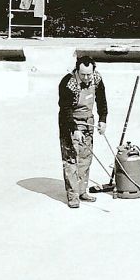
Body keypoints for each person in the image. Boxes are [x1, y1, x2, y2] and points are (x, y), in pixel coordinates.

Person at [58, 55, 108, 208]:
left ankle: (82, 191)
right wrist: (74, 129)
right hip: (70, 122)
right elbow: (65, 109)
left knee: (86, 158)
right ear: (77, 70)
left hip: (88, 122)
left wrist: (102, 120)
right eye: (83, 74)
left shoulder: (97, 79)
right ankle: (73, 196)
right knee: (72, 159)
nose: (86, 78)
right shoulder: (68, 83)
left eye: (89, 74)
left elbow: (101, 100)